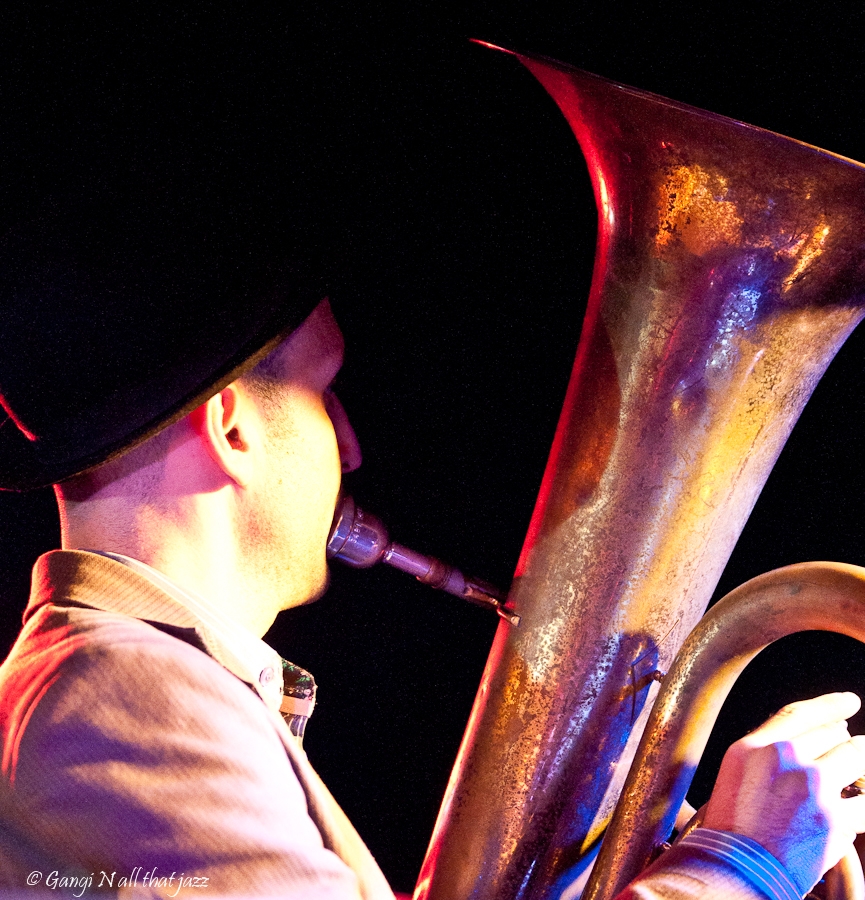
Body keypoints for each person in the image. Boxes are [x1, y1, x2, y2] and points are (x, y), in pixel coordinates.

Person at [0, 8, 864, 900]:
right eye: (324, 392)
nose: (350, 441)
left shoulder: (133, 689)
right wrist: (739, 864)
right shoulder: (115, 696)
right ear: (231, 427)